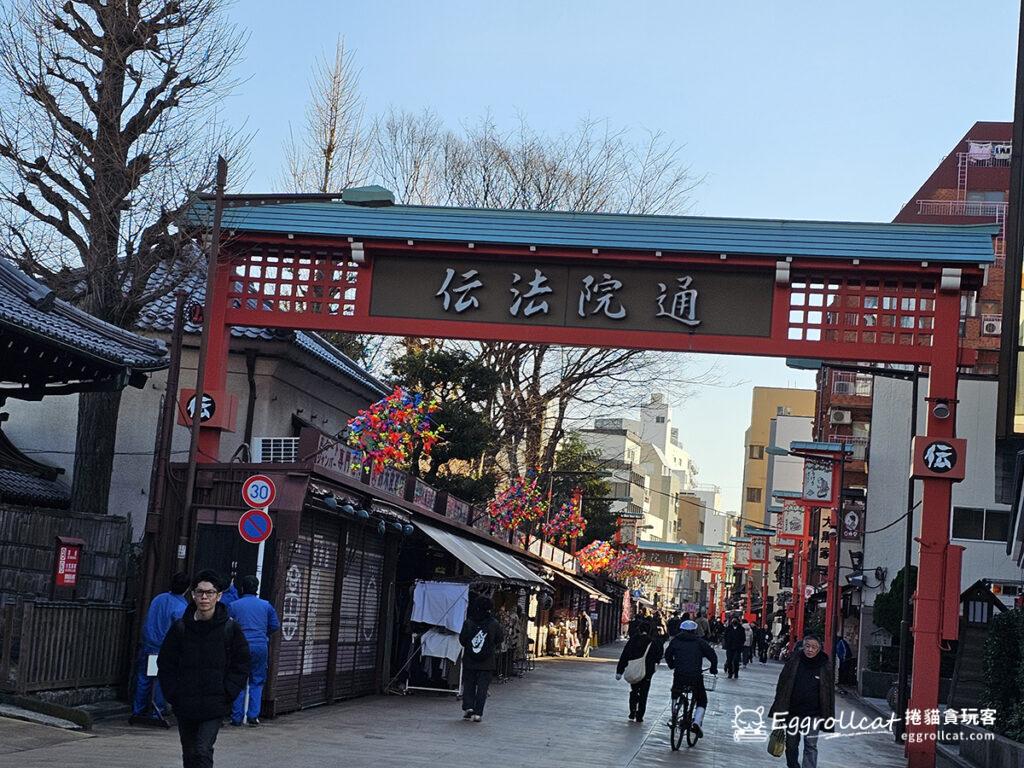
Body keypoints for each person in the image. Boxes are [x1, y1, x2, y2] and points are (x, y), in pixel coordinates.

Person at [158, 570, 251, 768]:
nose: (204, 597)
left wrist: (228, 691)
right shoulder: (180, 628)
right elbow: (166, 663)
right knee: (190, 752)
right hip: (185, 702)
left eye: (209, 593)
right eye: (200, 592)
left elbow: (241, 664)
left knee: (202, 750)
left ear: (219, 596)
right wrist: (173, 693)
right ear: (192, 595)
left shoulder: (230, 629)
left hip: (214, 703)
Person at [769, 633, 835, 768]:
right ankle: (793, 765)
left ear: (819, 649)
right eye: (807, 646)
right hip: (793, 711)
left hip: (814, 713)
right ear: (803, 647)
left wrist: (827, 715)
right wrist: (780, 708)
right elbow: (783, 685)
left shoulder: (824, 665)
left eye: (814, 647)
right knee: (791, 744)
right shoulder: (794, 661)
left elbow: (828, 694)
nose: (810, 650)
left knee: (811, 745)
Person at [132, 572, 190, 720]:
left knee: (144, 677)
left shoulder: (158, 598)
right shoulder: (182, 607)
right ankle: (157, 711)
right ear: (187, 588)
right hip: (164, 647)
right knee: (160, 679)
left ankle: (138, 709)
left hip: (148, 642)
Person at [227, 575, 280, 726]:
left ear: (242, 588)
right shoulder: (266, 605)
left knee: (239, 680)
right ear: (256, 588)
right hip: (260, 646)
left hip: (240, 646)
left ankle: (236, 717)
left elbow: (227, 625)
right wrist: (263, 634)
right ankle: (253, 716)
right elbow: (275, 626)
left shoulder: (234, 605)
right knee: (257, 681)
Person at [664, 619, 718, 738]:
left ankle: (674, 715)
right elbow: (712, 655)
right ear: (694, 631)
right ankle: (696, 722)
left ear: (681, 630)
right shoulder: (700, 642)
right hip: (695, 676)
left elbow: (667, 654)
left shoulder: (676, 641)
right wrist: (713, 668)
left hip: (679, 674)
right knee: (701, 698)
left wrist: (672, 664)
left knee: (675, 693)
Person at [459, 596, 504, 722]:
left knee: (469, 684)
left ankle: (468, 708)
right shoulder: (494, 623)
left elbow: (462, 640)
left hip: (469, 660)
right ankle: (478, 713)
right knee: (482, 688)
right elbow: (500, 639)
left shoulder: (469, 622)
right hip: (487, 662)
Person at [615, 618, 664, 723]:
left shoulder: (633, 640)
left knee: (634, 690)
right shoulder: (653, 641)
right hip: (648, 672)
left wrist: (620, 670)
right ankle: (640, 715)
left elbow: (625, 655)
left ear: (639, 629)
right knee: (644, 693)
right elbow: (659, 654)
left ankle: (632, 711)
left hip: (635, 670)